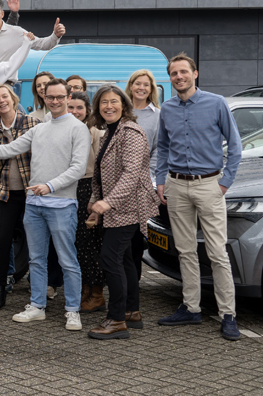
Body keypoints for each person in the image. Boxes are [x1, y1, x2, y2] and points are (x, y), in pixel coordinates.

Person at [0, 78, 90, 331]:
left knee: (67, 260)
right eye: (50, 97)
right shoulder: (40, 128)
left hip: (61, 204)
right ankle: (37, 306)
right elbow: (9, 149)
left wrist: (49, 186)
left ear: (68, 96)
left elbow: (78, 168)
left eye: (60, 97)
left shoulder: (77, 128)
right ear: (44, 99)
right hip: (35, 204)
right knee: (36, 259)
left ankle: (72, 310)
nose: (55, 101)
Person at [156, 54, 243, 340]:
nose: (178, 77)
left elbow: (236, 145)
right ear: (170, 78)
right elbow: (164, 148)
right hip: (177, 186)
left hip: (209, 185)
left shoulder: (216, 103)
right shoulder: (167, 109)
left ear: (195, 74)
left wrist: (224, 183)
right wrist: (161, 181)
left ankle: (228, 313)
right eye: (174, 73)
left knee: (217, 252)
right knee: (185, 250)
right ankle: (191, 307)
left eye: (183, 72)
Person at [87, 85, 159, 340]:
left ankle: (116, 320)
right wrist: (96, 204)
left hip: (129, 208)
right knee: (126, 259)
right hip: (116, 208)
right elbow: (102, 175)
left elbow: (131, 174)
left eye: (113, 101)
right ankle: (131, 311)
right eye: (103, 102)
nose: (108, 106)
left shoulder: (131, 132)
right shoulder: (109, 132)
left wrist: (108, 203)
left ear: (124, 105)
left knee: (110, 258)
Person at [0, 84, 37, 310]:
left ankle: (39, 290)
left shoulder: (32, 124)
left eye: (4, 96)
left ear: (13, 98)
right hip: (5, 196)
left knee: (36, 243)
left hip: (32, 194)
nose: (1, 101)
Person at [66, 91, 107, 314]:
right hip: (69, 188)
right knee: (77, 244)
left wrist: (97, 197)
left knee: (90, 243)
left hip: (88, 187)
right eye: (70, 107)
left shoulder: (96, 133)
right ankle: (84, 289)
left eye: (79, 108)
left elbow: (101, 169)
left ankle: (97, 293)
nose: (74, 112)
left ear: (87, 110)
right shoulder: (65, 129)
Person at [125, 68, 160, 284]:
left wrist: (149, 177)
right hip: (118, 184)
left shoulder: (157, 115)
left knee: (136, 239)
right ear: (130, 86)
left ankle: (133, 286)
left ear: (151, 89)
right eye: (138, 83)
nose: (141, 88)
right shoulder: (121, 111)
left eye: (146, 85)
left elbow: (159, 149)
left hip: (142, 186)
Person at [0, 0, 66, 69]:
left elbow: (43, 44)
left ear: (2, 14)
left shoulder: (17, 33)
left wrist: (55, 35)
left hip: (6, 88)